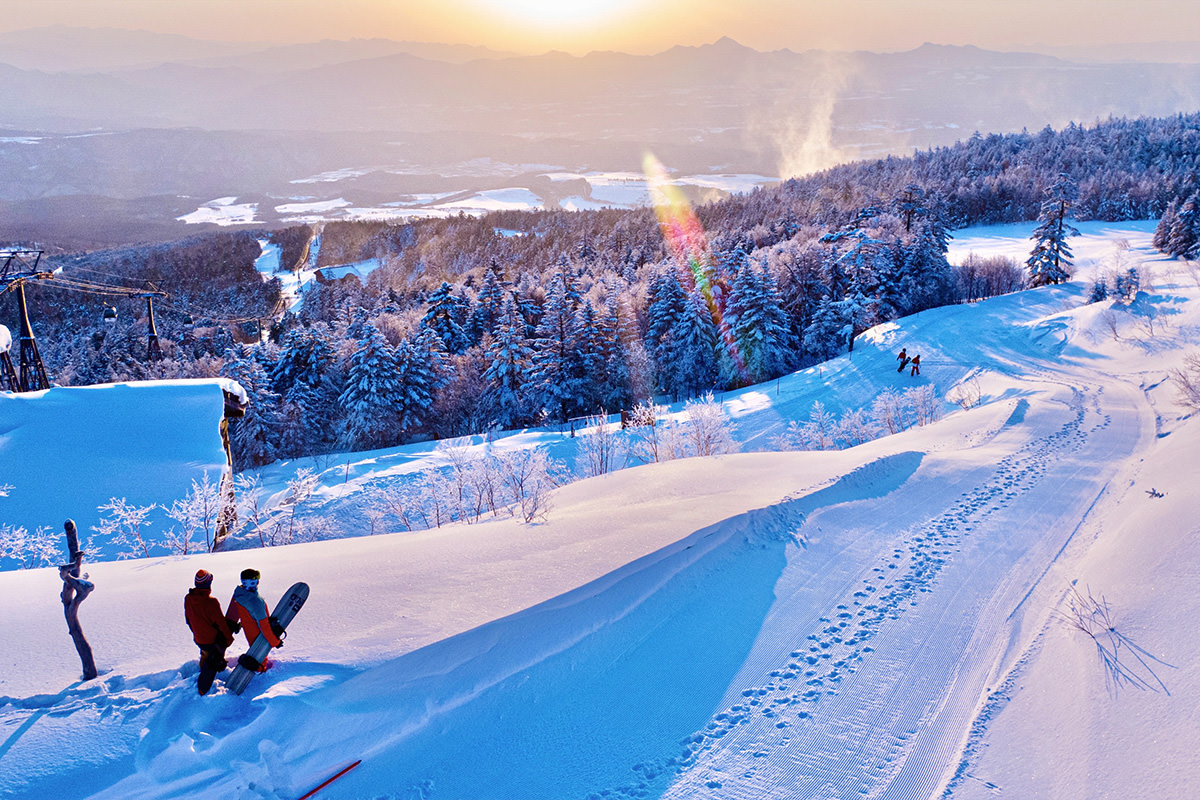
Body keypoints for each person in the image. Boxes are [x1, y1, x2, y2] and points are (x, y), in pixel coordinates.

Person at [184, 569, 234, 695]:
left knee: (205, 653)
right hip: (212, 640)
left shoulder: (188, 598)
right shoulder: (211, 602)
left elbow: (188, 619)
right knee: (213, 661)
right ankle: (203, 689)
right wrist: (228, 639)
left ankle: (204, 664)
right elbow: (221, 624)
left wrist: (197, 633)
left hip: (199, 638)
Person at [225, 568, 283, 672]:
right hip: (259, 635)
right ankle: (259, 673)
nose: (251, 585)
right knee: (261, 658)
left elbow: (244, 612)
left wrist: (240, 624)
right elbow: (264, 626)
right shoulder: (256, 601)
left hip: (249, 632)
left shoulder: (238, 594)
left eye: (253, 582)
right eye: (251, 582)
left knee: (257, 652)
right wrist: (275, 642)